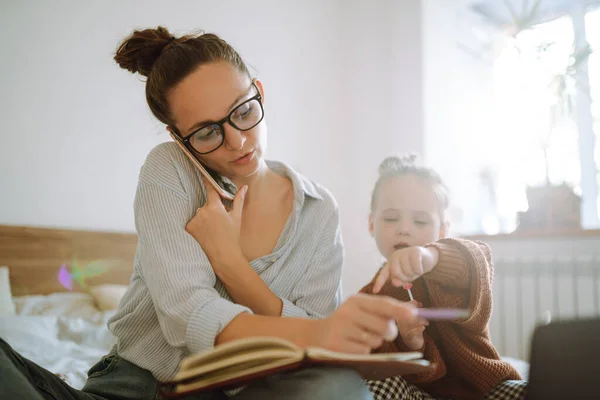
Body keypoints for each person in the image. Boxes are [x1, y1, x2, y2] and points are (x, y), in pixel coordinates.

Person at [0, 27, 422, 400]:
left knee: (340, 389)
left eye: (243, 111)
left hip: (255, 389)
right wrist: (315, 333)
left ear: (258, 90)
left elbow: (314, 336)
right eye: (206, 132)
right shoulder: (169, 171)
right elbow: (187, 314)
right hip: (142, 387)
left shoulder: (318, 210)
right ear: (179, 138)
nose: (237, 142)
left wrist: (231, 264)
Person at [359, 155, 527, 400]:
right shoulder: (369, 299)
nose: (404, 228)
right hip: (417, 393)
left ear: (442, 230)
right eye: (391, 218)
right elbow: (382, 365)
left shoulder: (448, 267)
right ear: (372, 224)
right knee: (374, 387)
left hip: (483, 389)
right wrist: (411, 342)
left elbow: (478, 259)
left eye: (420, 220)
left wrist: (431, 257)